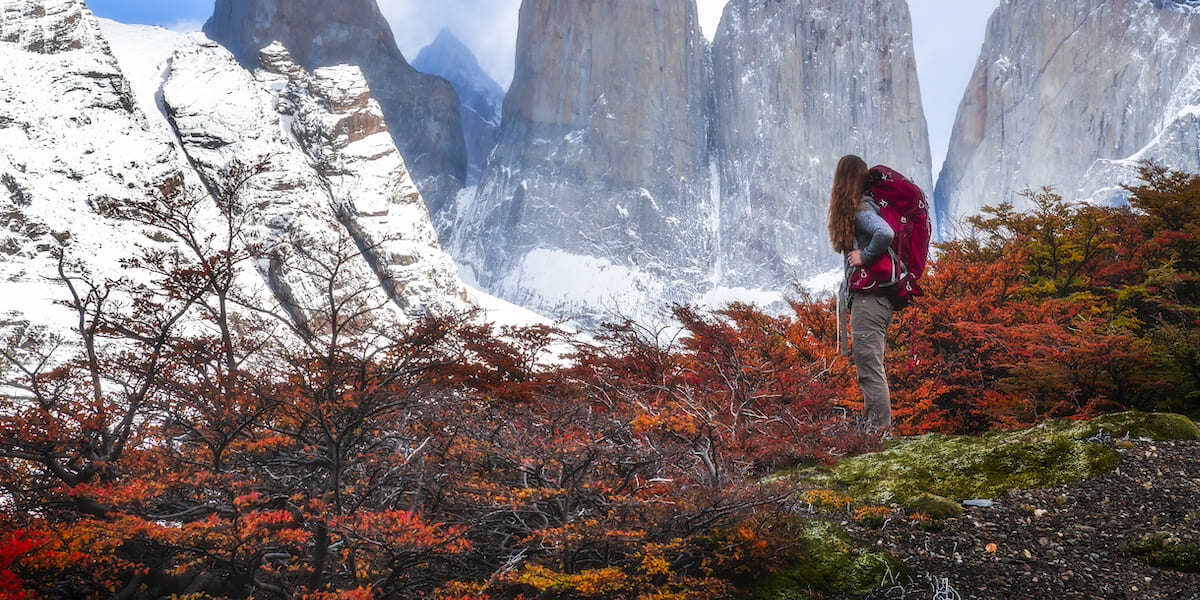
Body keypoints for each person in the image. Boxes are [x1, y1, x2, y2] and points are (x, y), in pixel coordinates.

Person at [828, 155, 895, 430]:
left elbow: (885, 233)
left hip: (870, 299)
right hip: (875, 298)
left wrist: (864, 257)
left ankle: (879, 432)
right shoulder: (868, 206)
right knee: (870, 363)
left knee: (868, 365)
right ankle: (877, 428)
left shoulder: (860, 209)